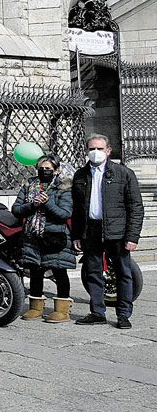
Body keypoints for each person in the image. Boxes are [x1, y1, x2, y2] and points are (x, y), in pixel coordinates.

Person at [72, 134, 143, 328]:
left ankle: (123, 315)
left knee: (123, 272)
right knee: (93, 273)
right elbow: (77, 208)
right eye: (91, 149)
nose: (95, 153)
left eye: (99, 149)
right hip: (91, 230)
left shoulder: (123, 173)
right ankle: (97, 312)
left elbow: (135, 207)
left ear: (108, 151)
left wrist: (132, 236)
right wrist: (76, 235)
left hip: (117, 231)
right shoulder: (80, 175)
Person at [14, 156, 76, 323]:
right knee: (35, 271)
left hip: (54, 236)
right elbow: (17, 209)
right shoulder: (29, 185)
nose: (44, 171)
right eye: (41, 168)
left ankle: (62, 310)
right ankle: (35, 307)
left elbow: (64, 213)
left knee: (58, 270)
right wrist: (32, 205)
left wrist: (47, 203)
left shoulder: (64, 188)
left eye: (48, 168)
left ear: (57, 170)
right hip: (32, 236)